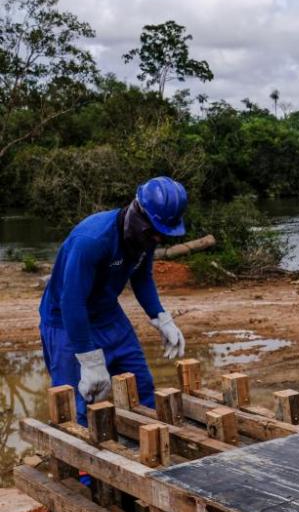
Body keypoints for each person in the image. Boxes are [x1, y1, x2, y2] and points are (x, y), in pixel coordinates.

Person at [39, 177, 189, 424]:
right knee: (78, 403)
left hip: (107, 314)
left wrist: (161, 318)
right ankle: (80, 459)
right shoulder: (92, 240)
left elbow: (142, 276)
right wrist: (89, 360)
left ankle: (144, 450)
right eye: (153, 232)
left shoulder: (147, 236)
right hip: (66, 320)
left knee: (141, 386)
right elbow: (71, 302)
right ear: (136, 213)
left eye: (162, 235)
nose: (157, 240)